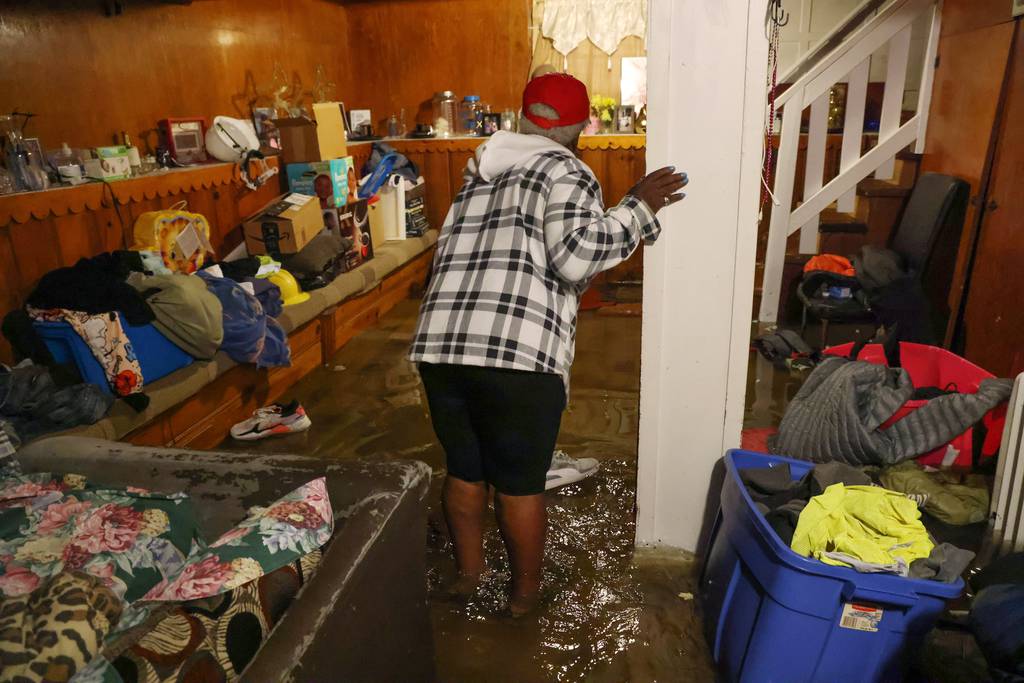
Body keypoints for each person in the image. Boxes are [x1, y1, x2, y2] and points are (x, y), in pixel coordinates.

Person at [409, 72, 687, 616]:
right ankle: (524, 597)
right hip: (515, 353)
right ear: (580, 125)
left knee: (465, 469)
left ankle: (468, 576)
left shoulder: (481, 168)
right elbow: (575, 256)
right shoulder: (566, 169)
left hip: (441, 345)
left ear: (526, 119)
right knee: (518, 481)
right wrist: (636, 209)